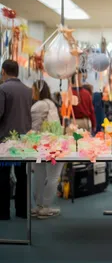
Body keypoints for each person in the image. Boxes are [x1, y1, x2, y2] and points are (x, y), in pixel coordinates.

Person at [0, 60, 32, 220]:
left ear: (3, 71)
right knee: (22, 175)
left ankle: (3, 212)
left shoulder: (2, 89)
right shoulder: (28, 90)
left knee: (3, 175)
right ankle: (22, 210)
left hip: (5, 140)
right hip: (23, 140)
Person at [31, 80, 64, 218]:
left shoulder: (38, 105)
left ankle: (39, 205)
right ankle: (45, 206)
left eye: (33, 90)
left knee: (39, 175)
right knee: (53, 176)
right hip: (53, 144)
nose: (31, 93)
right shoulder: (50, 104)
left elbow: (34, 127)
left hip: (39, 144)